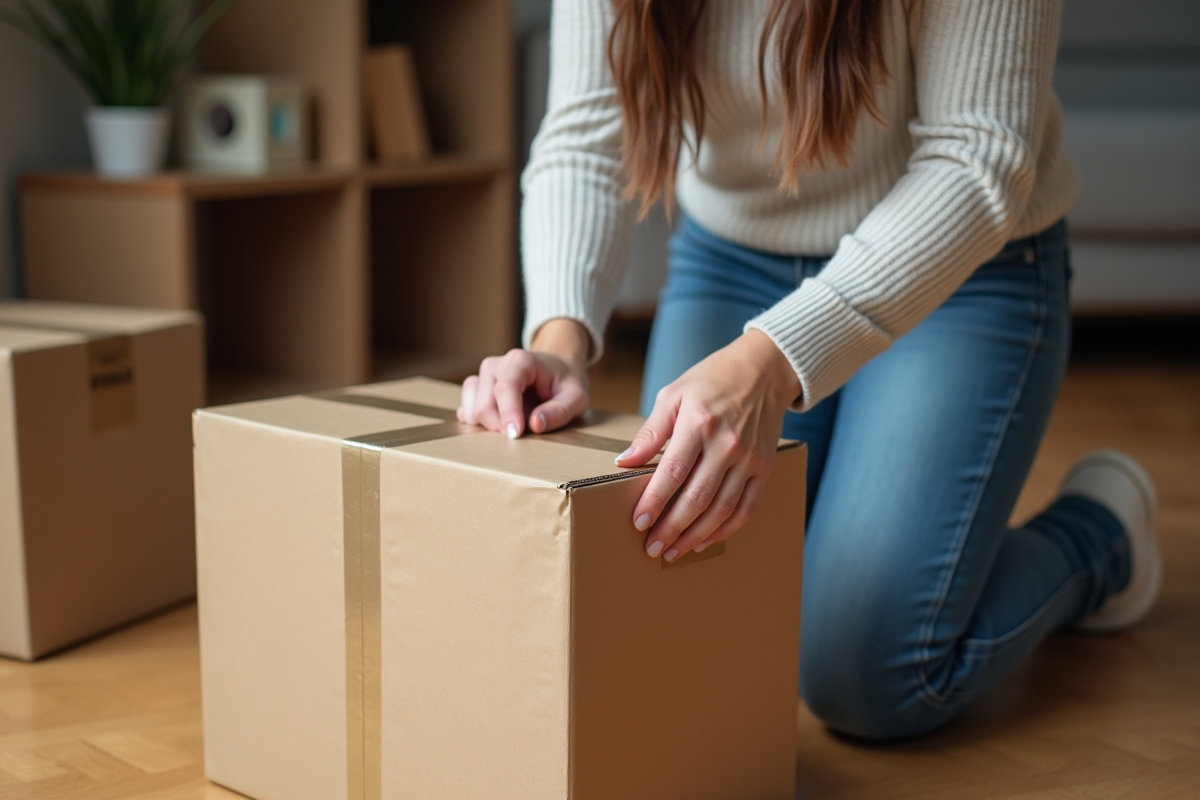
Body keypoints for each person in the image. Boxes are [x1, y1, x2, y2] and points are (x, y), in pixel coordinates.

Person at [458, 0, 1162, 739]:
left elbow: (978, 155)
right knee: (679, 623)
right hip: (733, 255)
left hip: (961, 269)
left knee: (863, 672)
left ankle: (1100, 534)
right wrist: (559, 340)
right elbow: (584, 132)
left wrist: (767, 363)